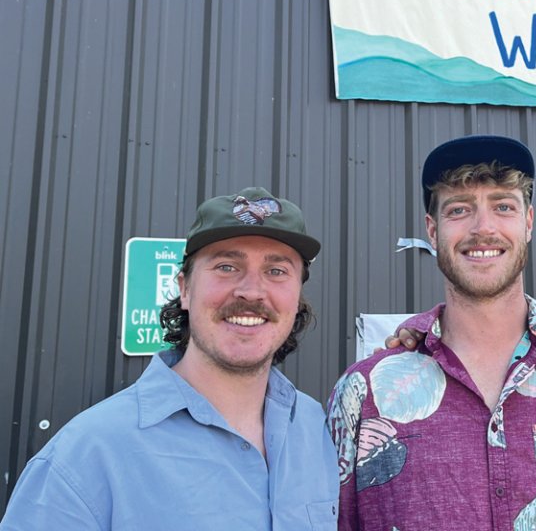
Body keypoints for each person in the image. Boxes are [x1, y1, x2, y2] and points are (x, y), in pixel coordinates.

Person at [327, 135, 536, 530]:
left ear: (528, 222)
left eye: (503, 206)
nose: (483, 227)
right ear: (432, 230)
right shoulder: (364, 392)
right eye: (459, 209)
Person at [1, 188, 339, 530]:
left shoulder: (318, 429)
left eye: (277, 271)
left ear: (297, 296)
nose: (251, 291)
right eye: (226, 266)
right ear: (185, 289)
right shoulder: (85, 456)